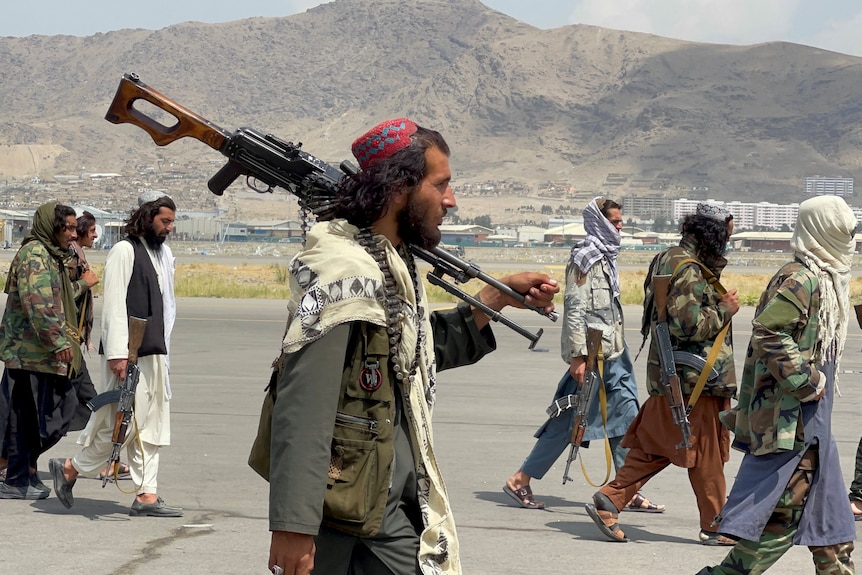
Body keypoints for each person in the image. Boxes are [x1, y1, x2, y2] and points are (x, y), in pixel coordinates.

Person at [264, 118, 559, 575]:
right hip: (339, 508)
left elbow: (408, 351)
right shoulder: (343, 271)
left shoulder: (389, 261)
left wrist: (495, 296)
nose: (451, 200)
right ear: (400, 188)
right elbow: (302, 406)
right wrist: (293, 526)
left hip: (382, 502)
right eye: (440, 184)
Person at [696, 195, 857, 574]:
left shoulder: (825, 277)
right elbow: (769, 332)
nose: (850, 235)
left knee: (832, 531)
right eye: (842, 227)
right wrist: (807, 380)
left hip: (815, 426)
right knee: (779, 525)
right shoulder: (802, 278)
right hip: (794, 423)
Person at [584, 201, 739, 545]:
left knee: (654, 448)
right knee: (706, 453)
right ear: (710, 234)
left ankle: (611, 499)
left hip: (675, 379)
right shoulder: (689, 269)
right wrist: (724, 310)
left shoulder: (672, 259)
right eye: (724, 233)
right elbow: (688, 325)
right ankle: (716, 524)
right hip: (691, 383)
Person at [503, 197, 663, 514]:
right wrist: (578, 356)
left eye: (620, 221)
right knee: (569, 421)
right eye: (614, 222)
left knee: (626, 420)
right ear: (599, 223)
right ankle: (519, 480)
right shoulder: (585, 258)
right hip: (591, 354)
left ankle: (625, 489)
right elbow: (575, 310)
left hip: (615, 352)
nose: (619, 226)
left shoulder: (607, 257)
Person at [49, 192, 181, 517]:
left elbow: (167, 307)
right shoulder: (125, 250)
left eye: (172, 223)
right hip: (128, 356)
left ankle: (145, 494)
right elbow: (114, 304)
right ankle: (71, 468)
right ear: (148, 217)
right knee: (117, 425)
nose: (169, 228)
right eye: (165, 221)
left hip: (153, 354)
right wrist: (119, 354)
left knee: (149, 423)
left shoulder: (162, 254)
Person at [0, 202, 82, 500]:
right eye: (69, 227)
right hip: (29, 355)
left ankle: (25, 473)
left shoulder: (51, 255)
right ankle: (16, 478)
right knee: (27, 419)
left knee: (42, 418)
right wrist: (58, 343)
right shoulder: (35, 253)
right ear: (53, 226)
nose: (73, 234)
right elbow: (39, 304)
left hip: (40, 356)